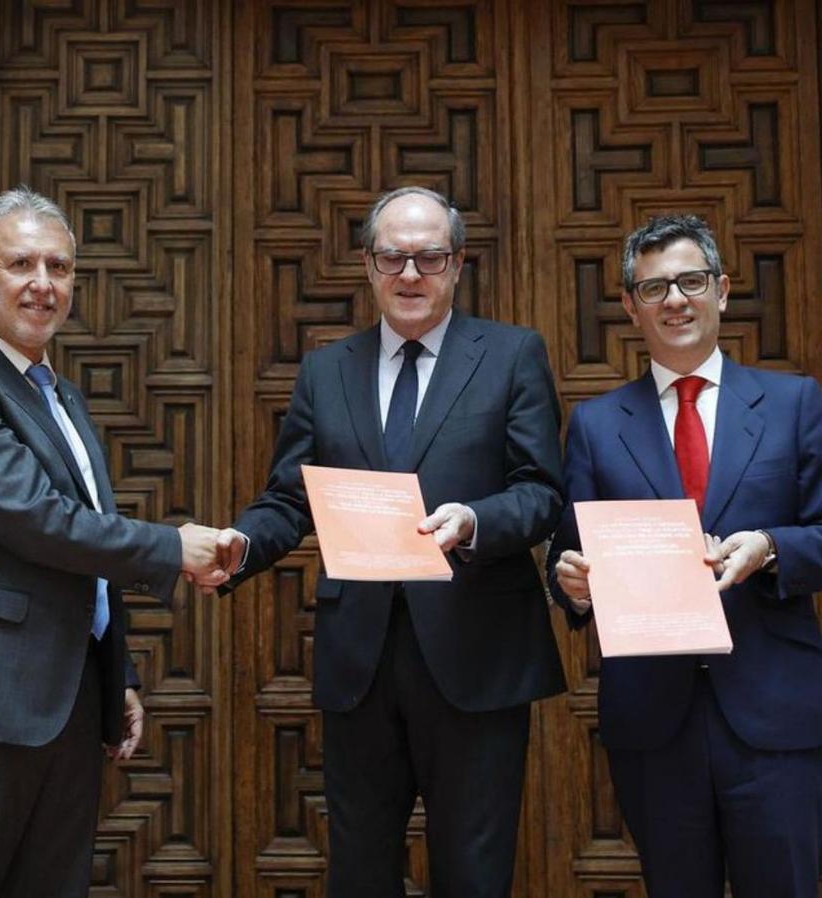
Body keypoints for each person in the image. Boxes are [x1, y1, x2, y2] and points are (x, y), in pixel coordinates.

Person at [214, 186, 567, 897]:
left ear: (457, 264)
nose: (411, 274)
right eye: (392, 257)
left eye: (429, 258)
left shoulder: (511, 354)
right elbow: (290, 498)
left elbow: (541, 493)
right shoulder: (325, 369)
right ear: (369, 266)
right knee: (360, 868)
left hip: (477, 650)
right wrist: (240, 546)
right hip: (361, 661)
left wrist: (472, 522)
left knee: (473, 869)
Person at [0, 186, 227, 898]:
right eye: (21, 265)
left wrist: (117, 675)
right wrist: (171, 547)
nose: (43, 284)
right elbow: (38, 519)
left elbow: (83, 552)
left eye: (60, 267)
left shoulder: (60, 395)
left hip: (63, 703)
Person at [548, 214, 822, 897]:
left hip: (774, 713)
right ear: (629, 307)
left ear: (722, 291)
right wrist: (572, 586)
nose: (674, 300)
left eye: (690, 281)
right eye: (653, 288)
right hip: (654, 720)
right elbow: (567, 553)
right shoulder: (598, 424)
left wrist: (769, 548)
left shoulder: (794, 403)